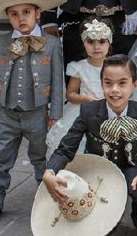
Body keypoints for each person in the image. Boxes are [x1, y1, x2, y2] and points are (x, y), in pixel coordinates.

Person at [0, 0, 66, 226]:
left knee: (41, 158)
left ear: (38, 12)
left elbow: (58, 82)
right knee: (1, 158)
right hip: (8, 115)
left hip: (37, 114)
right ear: (7, 16)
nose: (21, 18)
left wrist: (55, 114)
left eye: (26, 12)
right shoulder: (2, 42)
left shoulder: (53, 43)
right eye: (14, 14)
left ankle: (46, 199)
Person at [43, 54, 137, 236]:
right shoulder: (88, 111)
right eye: (108, 83)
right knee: (79, 196)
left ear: (134, 85)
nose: (115, 90)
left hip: (128, 167)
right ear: (102, 84)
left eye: (122, 83)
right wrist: (49, 172)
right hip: (95, 167)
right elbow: (66, 149)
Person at [45, 17, 113, 158]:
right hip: (83, 111)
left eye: (101, 41)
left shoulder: (115, 66)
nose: (96, 47)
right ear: (83, 43)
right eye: (90, 42)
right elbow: (70, 94)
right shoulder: (79, 68)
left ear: (109, 42)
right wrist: (85, 99)